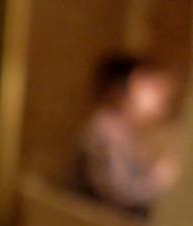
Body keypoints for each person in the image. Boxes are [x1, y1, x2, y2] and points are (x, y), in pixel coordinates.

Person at [76, 54, 181, 214]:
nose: (163, 99)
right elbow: (119, 192)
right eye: (156, 88)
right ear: (135, 84)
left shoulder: (123, 131)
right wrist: (157, 180)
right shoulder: (107, 130)